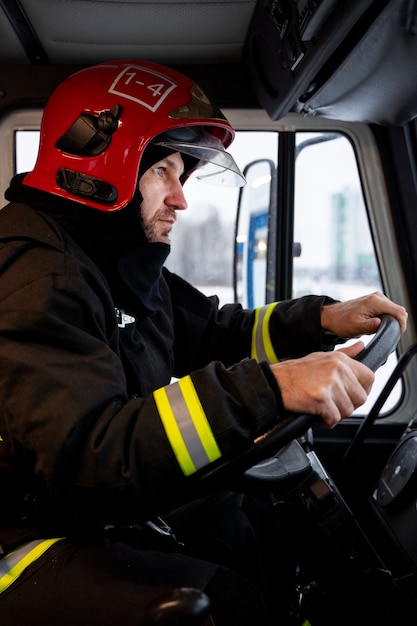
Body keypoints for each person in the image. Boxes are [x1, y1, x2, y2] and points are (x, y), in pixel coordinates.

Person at [0, 59, 407, 626]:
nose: (180, 199)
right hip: (24, 537)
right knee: (226, 604)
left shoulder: (109, 259)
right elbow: (91, 458)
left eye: (181, 176)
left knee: (250, 522)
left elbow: (217, 333)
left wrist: (323, 321)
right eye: (163, 172)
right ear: (101, 163)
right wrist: (272, 386)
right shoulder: (40, 278)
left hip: (80, 508)